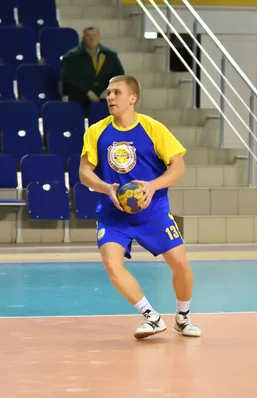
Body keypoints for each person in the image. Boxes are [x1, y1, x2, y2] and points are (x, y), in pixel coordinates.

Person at [79, 75, 201, 339]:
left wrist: (152, 186)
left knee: (180, 263)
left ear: (132, 98)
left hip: (152, 210)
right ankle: (151, 317)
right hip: (113, 213)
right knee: (112, 265)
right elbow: (84, 172)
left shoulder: (153, 128)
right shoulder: (96, 131)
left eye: (116, 93)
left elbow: (178, 166)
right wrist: (107, 188)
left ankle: (183, 316)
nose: (110, 97)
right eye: (108, 93)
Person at [62, 27, 125, 113]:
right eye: (88, 36)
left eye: (94, 36)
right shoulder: (72, 57)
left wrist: (108, 90)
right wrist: (87, 92)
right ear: (83, 38)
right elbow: (69, 79)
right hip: (80, 101)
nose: (91, 38)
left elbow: (120, 76)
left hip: (106, 100)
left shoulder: (110, 55)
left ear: (99, 37)